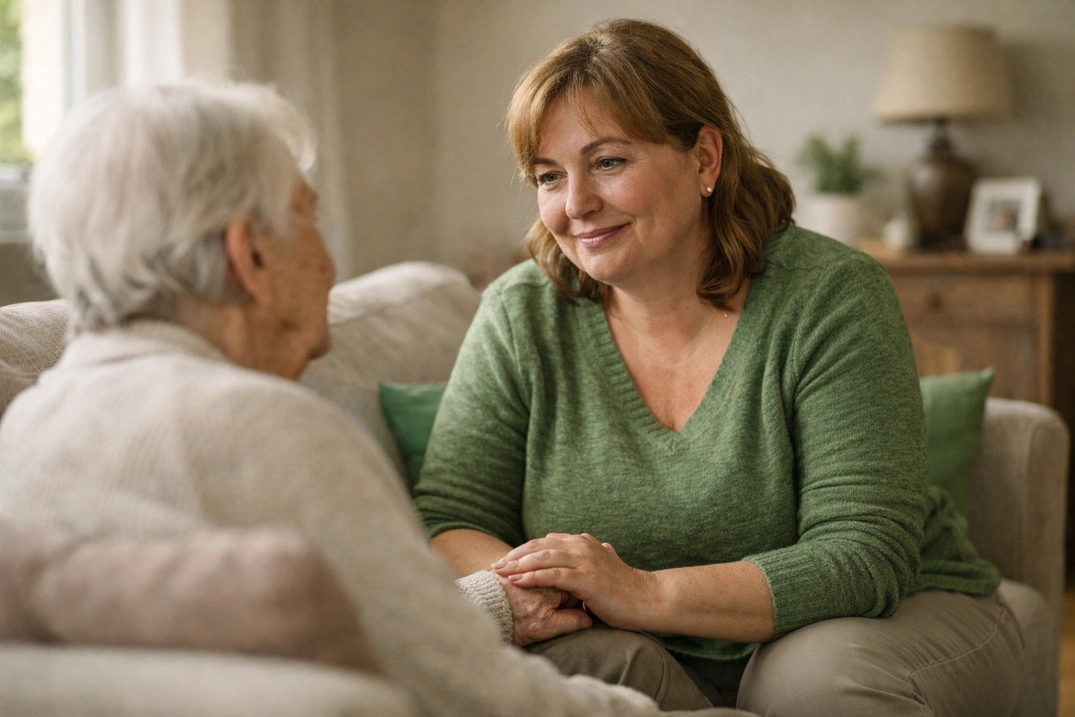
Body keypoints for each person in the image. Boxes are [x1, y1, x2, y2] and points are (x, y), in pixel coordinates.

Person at [0, 80, 748, 717]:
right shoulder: (263, 426)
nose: (327, 261)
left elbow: (320, 622)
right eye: (308, 218)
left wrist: (490, 602)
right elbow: (480, 694)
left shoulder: (30, 421)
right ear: (250, 255)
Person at [414, 18, 1023, 716]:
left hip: (886, 618)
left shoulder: (830, 293)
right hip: (633, 641)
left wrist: (641, 592)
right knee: (582, 664)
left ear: (704, 158)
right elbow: (450, 518)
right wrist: (539, 590)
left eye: (608, 162)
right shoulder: (519, 313)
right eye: (549, 176)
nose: (574, 204)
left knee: (803, 680)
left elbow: (862, 554)